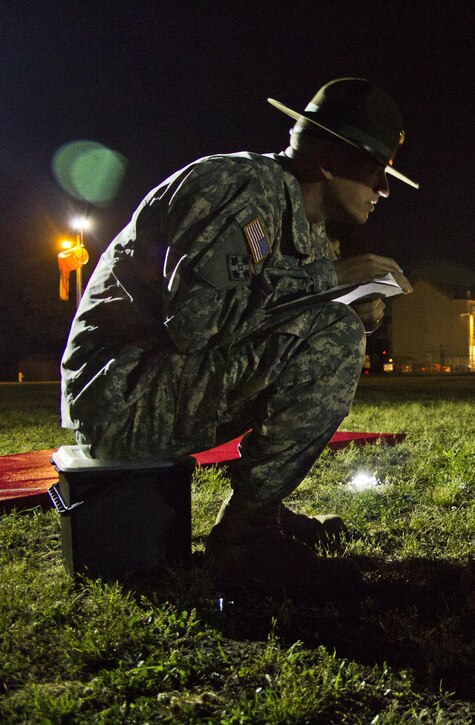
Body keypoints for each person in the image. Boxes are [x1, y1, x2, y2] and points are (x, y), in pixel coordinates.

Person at [59, 78, 417, 594]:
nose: (383, 190)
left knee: (335, 329)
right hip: (123, 394)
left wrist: (350, 300)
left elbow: (264, 312)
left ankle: (260, 515)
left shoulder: (301, 218)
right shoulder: (239, 188)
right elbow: (195, 323)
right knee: (333, 340)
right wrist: (330, 284)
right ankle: (242, 545)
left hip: (158, 380)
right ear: (328, 161)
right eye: (374, 172)